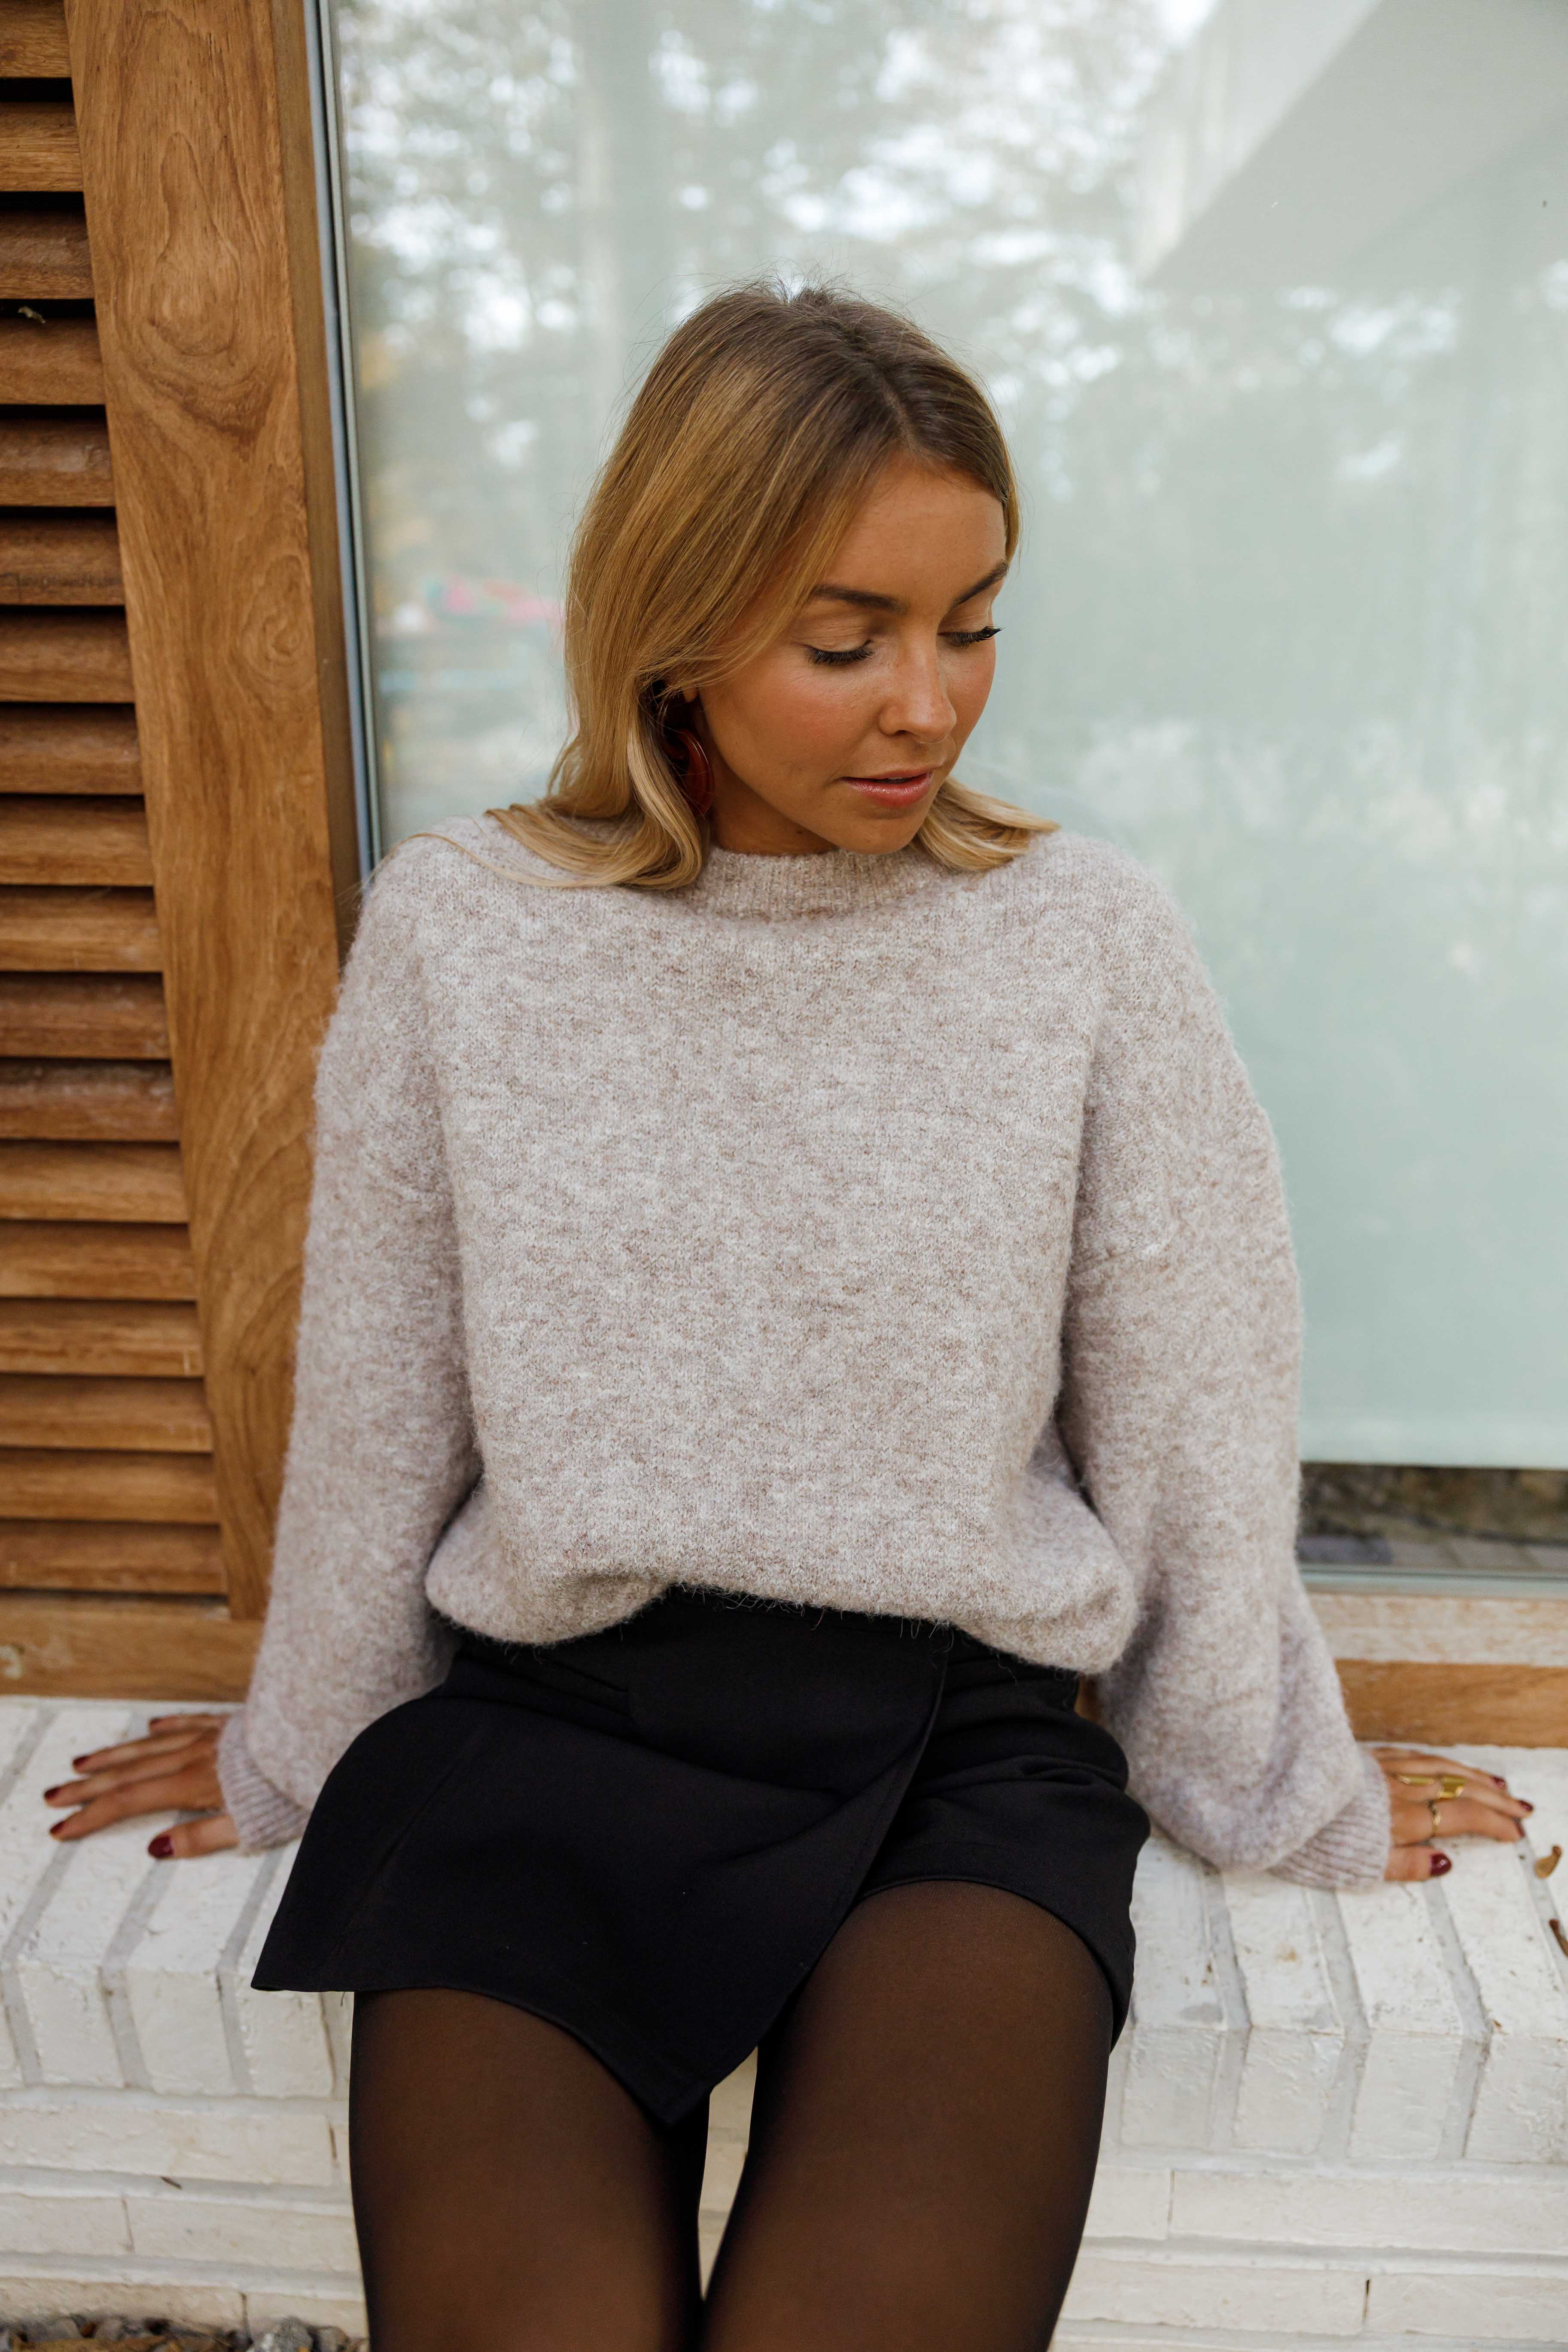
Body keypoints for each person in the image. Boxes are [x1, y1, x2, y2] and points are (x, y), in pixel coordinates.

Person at [44, 284, 1531, 2352]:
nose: (928, 703)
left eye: (969, 624)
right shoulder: (469, 932)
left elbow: (1191, 1410)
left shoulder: (1081, 940)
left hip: (954, 1752)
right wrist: (302, 1737)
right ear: (676, 627)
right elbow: (384, 1395)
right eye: (846, 643)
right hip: (553, 1733)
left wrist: (1271, 1775)